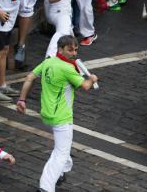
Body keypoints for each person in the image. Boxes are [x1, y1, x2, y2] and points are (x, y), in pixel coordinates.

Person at [17, 35, 98, 192]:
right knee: (60, 153)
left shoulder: (48, 62)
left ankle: (61, 172)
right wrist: (93, 78)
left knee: (63, 149)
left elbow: (29, 77)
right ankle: (46, 187)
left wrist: (21, 100)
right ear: (60, 49)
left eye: (75, 50)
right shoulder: (67, 68)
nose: (74, 53)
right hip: (62, 117)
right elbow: (86, 86)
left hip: (47, 113)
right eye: (70, 50)